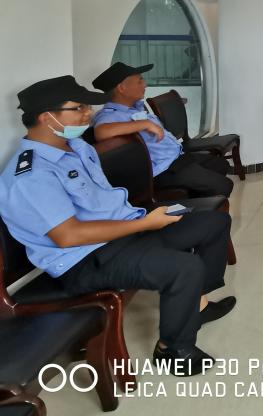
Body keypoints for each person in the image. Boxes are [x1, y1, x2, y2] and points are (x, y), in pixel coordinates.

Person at [0, 76, 236, 375]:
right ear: (47, 117)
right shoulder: (30, 175)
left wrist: (144, 220)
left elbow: (101, 202)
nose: (88, 113)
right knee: (183, 267)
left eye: (87, 106)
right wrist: (146, 223)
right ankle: (174, 350)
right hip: (84, 260)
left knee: (214, 222)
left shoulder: (76, 147)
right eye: (78, 108)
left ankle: (196, 306)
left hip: (123, 231)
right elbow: (68, 236)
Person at [91, 63, 233, 198]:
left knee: (220, 164)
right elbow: (101, 132)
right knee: (224, 186)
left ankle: (196, 201)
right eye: (140, 81)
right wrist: (144, 124)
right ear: (121, 88)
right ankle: (200, 204)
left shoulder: (134, 108)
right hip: (163, 170)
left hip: (176, 158)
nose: (145, 85)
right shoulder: (110, 115)